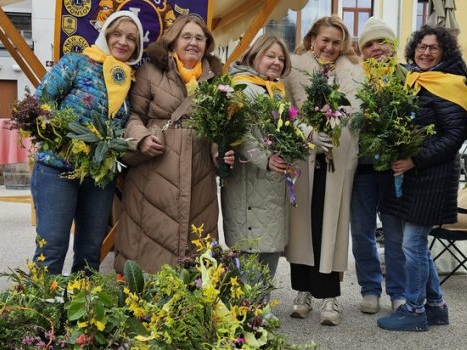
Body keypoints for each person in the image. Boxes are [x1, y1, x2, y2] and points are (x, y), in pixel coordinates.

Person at [375, 24, 467, 332]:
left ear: (445, 51)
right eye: (421, 46)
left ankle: (415, 310)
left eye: (433, 47)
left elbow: (453, 138)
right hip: (412, 176)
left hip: (434, 177)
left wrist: (414, 159)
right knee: (416, 245)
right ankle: (436, 306)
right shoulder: (413, 79)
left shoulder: (451, 85)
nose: (426, 52)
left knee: (413, 244)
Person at [115, 15, 233, 273]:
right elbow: (133, 116)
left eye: (199, 38)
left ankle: (189, 294)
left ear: (207, 45)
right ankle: (145, 294)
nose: (193, 43)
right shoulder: (150, 71)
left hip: (199, 174)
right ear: (173, 41)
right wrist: (142, 139)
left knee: (196, 242)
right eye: (186, 36)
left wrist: (219, 152)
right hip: (154, 169)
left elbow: (218, 128)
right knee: (149, 238)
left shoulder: (216, 81)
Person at [31, 11, 143, 275]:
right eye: (117, 34)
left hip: (98, 175)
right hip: (57, 169)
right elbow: (40, 103)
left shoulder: (130, 81)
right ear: (105, 35)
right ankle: (40, 300)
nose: (123, 42)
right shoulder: (76, 63)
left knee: (90, 252)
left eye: (131, 38)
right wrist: (63, 142)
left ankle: (82, 300)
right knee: (52, 247)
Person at [281, 16, 362, 326]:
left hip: (336, 158)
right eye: (324, 40)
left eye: (336, 42)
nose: (330, 47)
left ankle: (330, 296)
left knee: (331, 225)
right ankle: (302, 291)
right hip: (303, 157)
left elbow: (358, 115)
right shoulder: (294, 69)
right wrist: (308, 132)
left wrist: (337, 126)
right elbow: (285, 111)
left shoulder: (353, 72)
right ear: (312, 39)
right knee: (302, 225)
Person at [222, 34, 293, 279]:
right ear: (255, 56)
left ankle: (262, 299)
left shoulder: (276, 89)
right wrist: (266, 159)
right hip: (249, 181)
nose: (276, 62)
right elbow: (239, 133)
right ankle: (249, 301)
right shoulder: (241, 86)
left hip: (272, 182)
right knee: (250, 249)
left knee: (270, 247)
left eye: (281, 58)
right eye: (270, 56)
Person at [349, 16, 405, 315]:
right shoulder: (355, 78)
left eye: (382, 42)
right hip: (362, 170)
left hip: (395, 170)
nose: (376, 48)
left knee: (395, 235)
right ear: (362, 50)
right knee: (362, 233)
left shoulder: (406, 76)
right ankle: (370, 289)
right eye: (369, 44)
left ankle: (398, 291)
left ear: (393, 45)